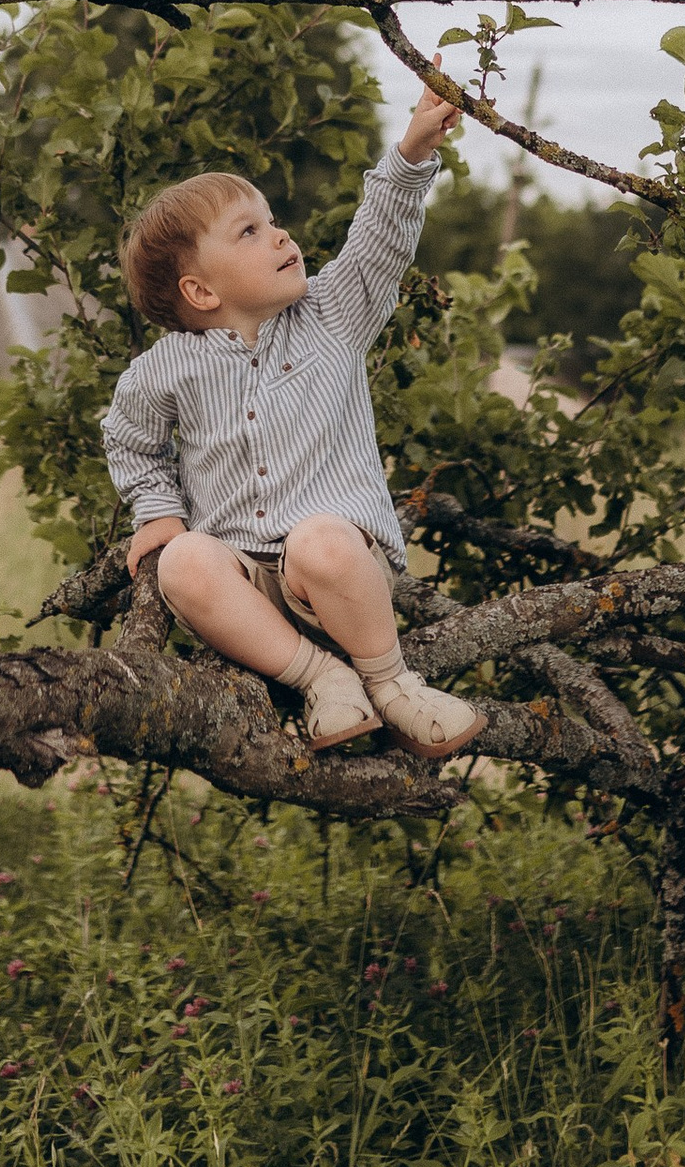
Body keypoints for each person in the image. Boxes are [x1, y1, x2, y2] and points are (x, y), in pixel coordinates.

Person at [101, 84, 488, 757]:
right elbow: (131, 440)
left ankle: (392, 682)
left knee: (321, 542)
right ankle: (321, 679)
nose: (280, 235)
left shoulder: (333, 315)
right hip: (249, 592)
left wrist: (412, 151)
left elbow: (376, 243)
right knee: (184, 561)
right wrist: (158, 511)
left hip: (339, 575)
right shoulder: (164, 369)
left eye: (272, 219)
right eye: (249, 231)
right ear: (201, 291)